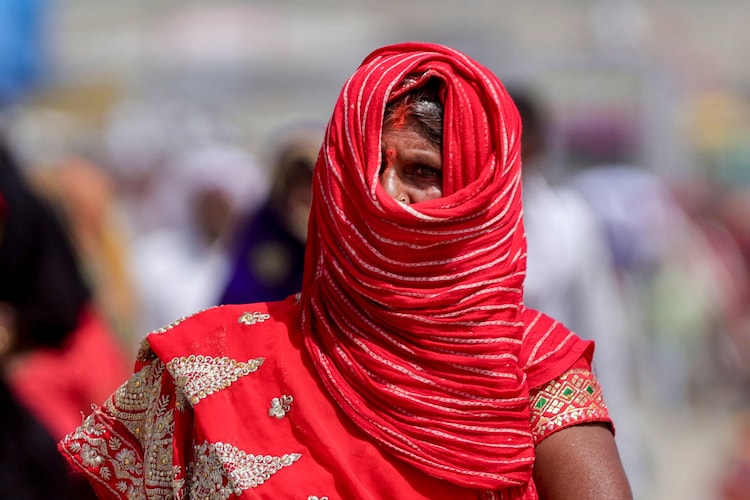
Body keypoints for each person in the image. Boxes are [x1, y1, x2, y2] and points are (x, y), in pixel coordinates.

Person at [59, 42, 632, 499]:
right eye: (364, 165)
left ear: (480, 198)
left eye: (422, 169)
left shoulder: (534, 370)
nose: (382, 193)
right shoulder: (203, 367)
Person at [219, 121, 322, 305]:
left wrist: (316, 240)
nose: (300, 195)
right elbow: (237, 303)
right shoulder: (263, 229)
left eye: (309, 181)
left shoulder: (350, 231)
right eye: (292, 182)